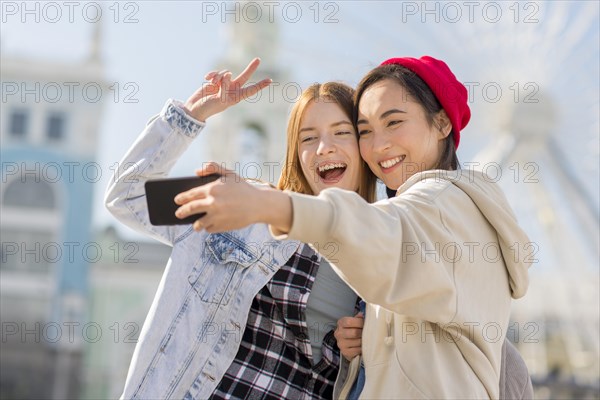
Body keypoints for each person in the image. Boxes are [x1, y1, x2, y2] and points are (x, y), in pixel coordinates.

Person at [175, 55, 533, 399]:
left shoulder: (446, 202)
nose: (379, 145)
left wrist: (270, 204)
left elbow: (376, 233)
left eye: (394, 122)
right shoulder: (430, 218)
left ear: (441, 123)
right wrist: (369, 341)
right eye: (366, 131)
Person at [105, 58, 376, 399]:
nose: (324, 147)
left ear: (365, 145)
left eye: (341, 132)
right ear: (295, 153)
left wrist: (360, 354)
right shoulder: (244, 205)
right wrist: (192, 114)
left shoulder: (385, 250)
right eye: (308, 138)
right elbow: (127, 196)